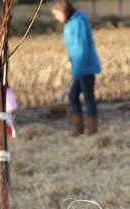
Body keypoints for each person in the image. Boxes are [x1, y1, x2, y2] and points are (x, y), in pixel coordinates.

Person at [51, 0, 101, 136]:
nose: (56, 18)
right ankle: (78, 129)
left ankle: (91, 130)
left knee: (87, 97)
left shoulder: (77, 23)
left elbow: (81, 49)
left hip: (85, 67)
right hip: (79, 67)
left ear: (63, 11)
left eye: (57, 14)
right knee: (73, 96)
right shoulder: (71, 23)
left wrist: (77, 70)